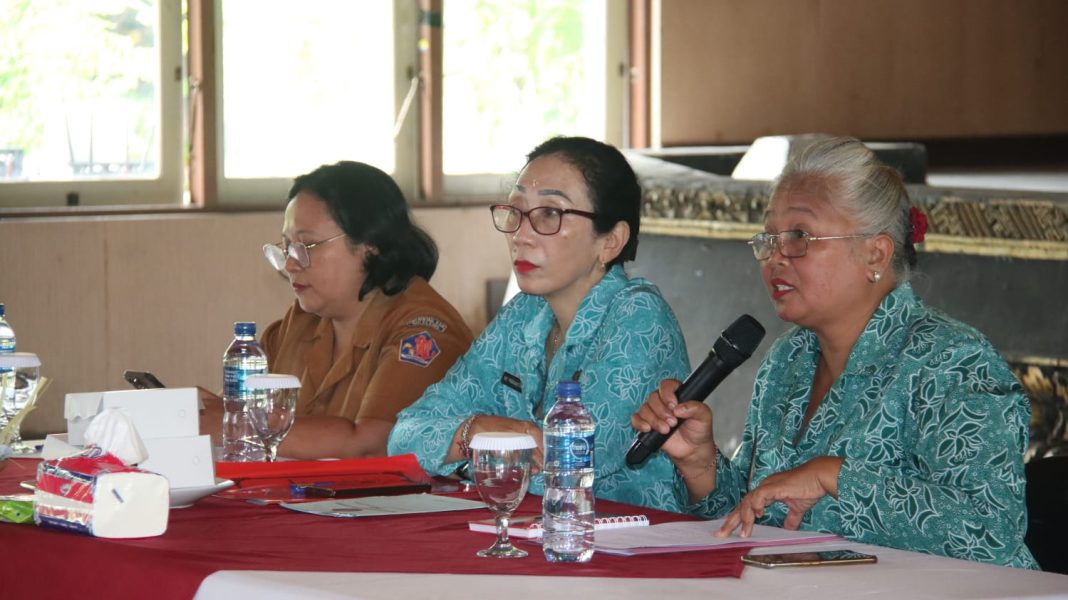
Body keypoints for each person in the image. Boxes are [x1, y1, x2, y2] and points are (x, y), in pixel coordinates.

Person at [631, 137, 1038, 568]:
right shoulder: (789, 359)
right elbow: (758, 518)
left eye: (800, 237)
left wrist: (836, 476)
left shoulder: (954, 361)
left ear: (875, 253)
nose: (774, 258)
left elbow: (992, 531)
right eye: (769, 238)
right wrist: (701, 464)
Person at [388, 136, 691, 511]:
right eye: (516, 211)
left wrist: (470, 451)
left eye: (550, 213)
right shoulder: (524, 313)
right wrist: (476, 430)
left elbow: (568, 464)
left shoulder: (638, 318)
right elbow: (405, 436)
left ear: (610, 241)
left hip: (621, 545)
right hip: (528, 533)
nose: (521, 235)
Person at [201, 161, 473, 459]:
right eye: (287, 246)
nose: (291, 264)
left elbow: (375, 443)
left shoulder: (423, 330)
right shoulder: (300, 322)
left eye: (307, 246)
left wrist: (238, 426)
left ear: (371, 245)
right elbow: (234, 415)